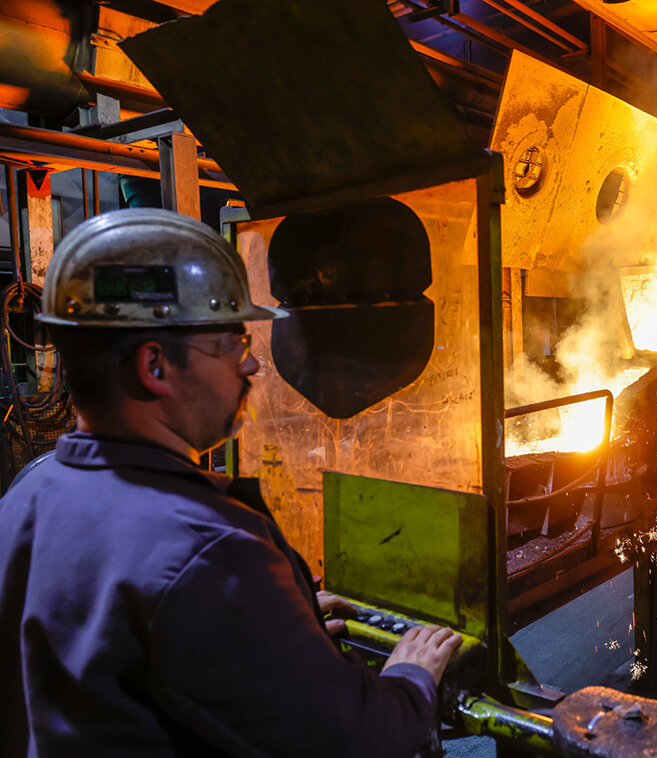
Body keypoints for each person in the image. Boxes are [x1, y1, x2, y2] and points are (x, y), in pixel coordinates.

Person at [0, 208, 461, 757]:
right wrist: (410, 680)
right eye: (231, 345)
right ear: (156, 367)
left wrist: (271, 627)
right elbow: (354, 741)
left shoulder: (26, 496)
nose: (251, 368)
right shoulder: (212, 551)